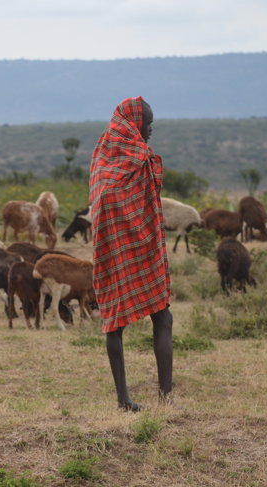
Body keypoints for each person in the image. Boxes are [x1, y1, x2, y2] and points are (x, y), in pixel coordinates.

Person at [89, 97, 173, 412]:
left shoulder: (103, 160)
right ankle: (128, 399)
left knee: (157, 318)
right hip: (125, 252)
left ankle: (158, 397)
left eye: (151, 124)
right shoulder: (138, 161)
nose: (150, 130)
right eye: (146, 123)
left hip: (124, 252)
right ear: (132, 124)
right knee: (120, 323)